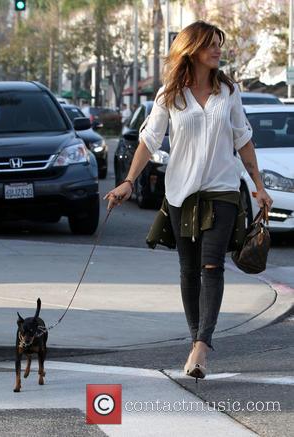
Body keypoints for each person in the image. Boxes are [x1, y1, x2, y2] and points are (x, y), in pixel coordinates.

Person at [104, 21, 273, 382]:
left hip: (222, 188)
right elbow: (149, 140)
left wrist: (258, 185)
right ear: (192, 49)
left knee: (212, 266)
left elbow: (243, 138)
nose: (218, 50)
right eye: (211, 45)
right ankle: (197, 335)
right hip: (180, 190)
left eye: (219, 45)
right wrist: (128, 182)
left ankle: (201, 347)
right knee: (188, 268)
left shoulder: (228, 91)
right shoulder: (171, 93)